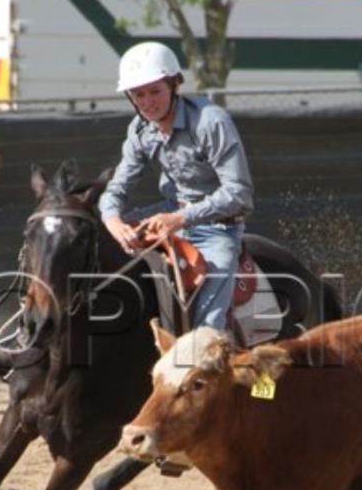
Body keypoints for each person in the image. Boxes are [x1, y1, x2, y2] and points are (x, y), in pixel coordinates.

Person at [99, 42, 255, 331]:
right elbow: (117, 188)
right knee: (97, 244)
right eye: (138, 94)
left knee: (207, 326)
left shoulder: (210, 121)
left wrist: (180, 218)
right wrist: (113, 221)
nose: (148, 102)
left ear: (174, 85)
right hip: (168, 214)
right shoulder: (139, 129)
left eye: (155, 91)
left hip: (218, 228)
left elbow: (238, 193)